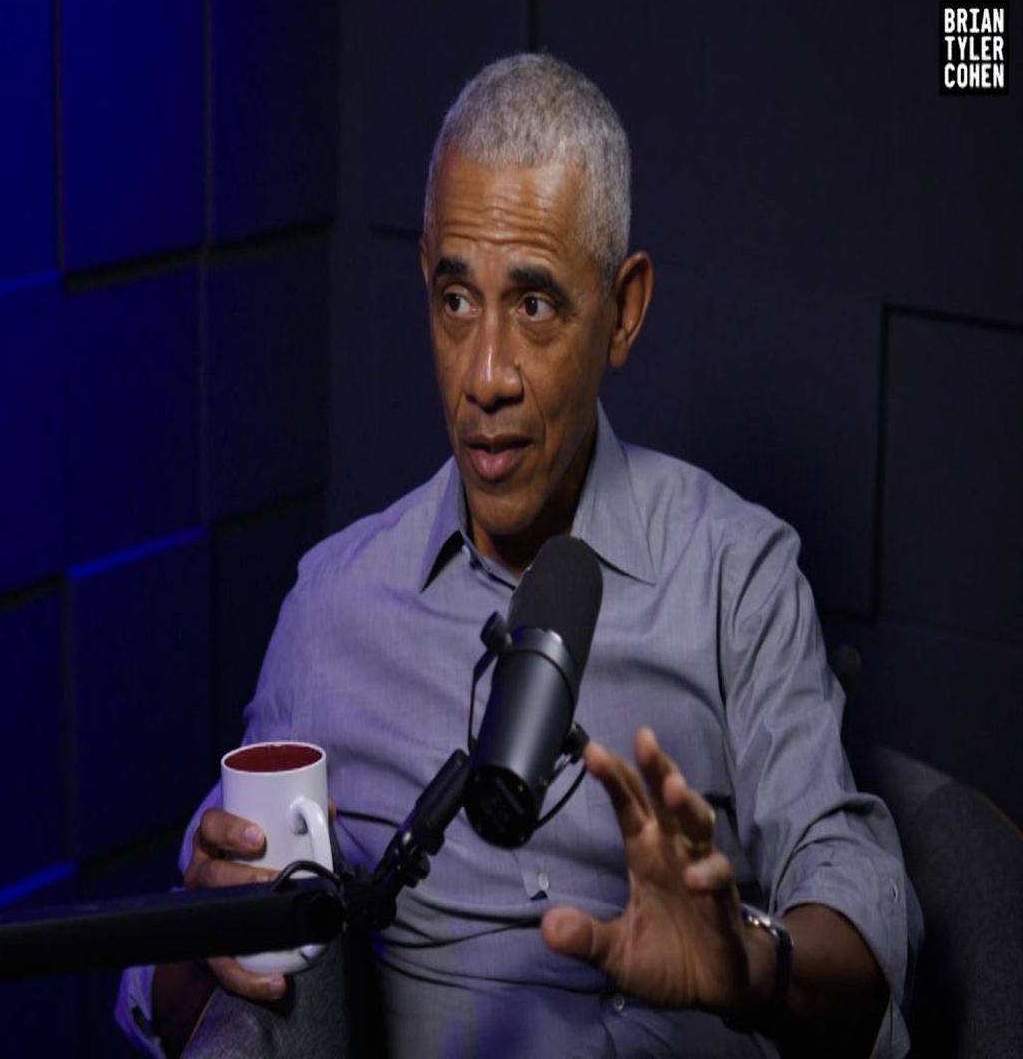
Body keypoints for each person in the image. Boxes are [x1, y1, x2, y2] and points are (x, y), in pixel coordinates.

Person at [118, 52, 920, 1057]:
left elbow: (859, 912)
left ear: (622, 310)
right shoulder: (331, 612)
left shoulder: (735, 578)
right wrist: (207, 937)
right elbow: (174, 1005)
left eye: (534, 304)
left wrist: (752, 965)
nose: (485, 374)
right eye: (458, 301)